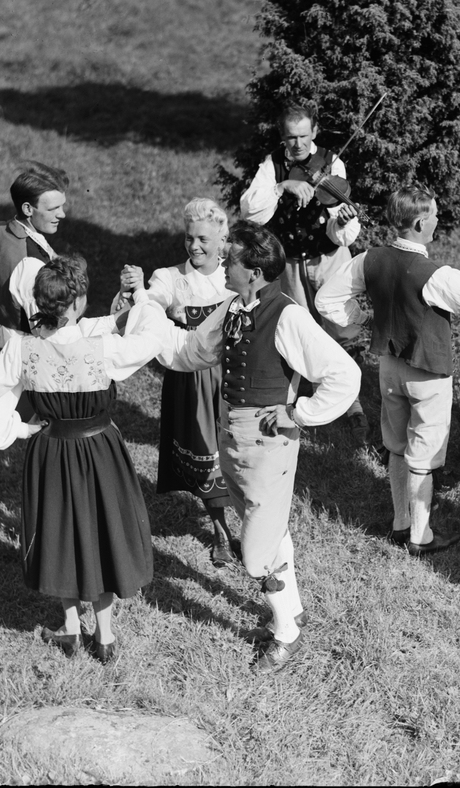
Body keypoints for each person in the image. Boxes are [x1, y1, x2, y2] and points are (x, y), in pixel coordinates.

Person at [153, 221, 360, 673]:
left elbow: (345, 374)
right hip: (235, 437)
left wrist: (298, 412)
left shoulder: (286, 315)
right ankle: (295, 607)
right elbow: (192, 351)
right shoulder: (231, 306)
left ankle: (287, 632)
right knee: (264, 522)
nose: (223, 263)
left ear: (254, 270)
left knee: (254, 555)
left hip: (269, 442)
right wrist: (144, 326)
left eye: (231, 259)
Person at [316, 185, 460, 556]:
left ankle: (400, 524)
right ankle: (421, 537)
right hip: (427, 373)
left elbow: (325, 299)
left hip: (389, 368)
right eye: (436, 214)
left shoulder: (368, 259)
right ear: (421, 222)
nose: (440, 219)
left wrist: (361, 322)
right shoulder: (434, 274)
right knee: (424, 456)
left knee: (396, 446)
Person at [0, 256, 165, 664]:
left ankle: (71, 629)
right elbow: (150, 336)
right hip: (99, 450)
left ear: (40, 301)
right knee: (102, 533)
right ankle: (104, 636)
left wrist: (19, 428)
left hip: (51, 450)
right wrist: (142, 299)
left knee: (61, 535)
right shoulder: (100, 347)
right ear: (76, 305)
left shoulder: (23, 347)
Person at [238, 101, 368, 442]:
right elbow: (251, 209)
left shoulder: (331, 161)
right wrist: (282, 187)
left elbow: (342, 228)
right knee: (303, 329)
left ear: (315, 132)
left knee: (340, 328)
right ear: (283, 136)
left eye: (304, 136)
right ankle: (302, 400)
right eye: (291, 137)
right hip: (291, 260)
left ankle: (350, 401)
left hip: (328, 258)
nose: (297, 144)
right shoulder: (273, 165)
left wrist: (340, 222)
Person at [119, 199, 236, 567]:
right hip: (193, 379)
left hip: (235, 375)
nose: (194, 246)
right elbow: (151, 304)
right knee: (204, 453)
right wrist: (138, 291)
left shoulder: (237, 273)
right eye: (189, 238)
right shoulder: (170, 277)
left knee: (241, 452)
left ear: (223, 240)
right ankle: (221, 531)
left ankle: (251, 526)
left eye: (203, 238)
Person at [0, 162, 69, 358]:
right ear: (28, 208)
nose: (62, 214)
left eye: (62, 206)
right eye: (53, 208)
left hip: (0, 345)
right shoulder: (32, 265)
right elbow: (44, 331)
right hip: (28, 356)